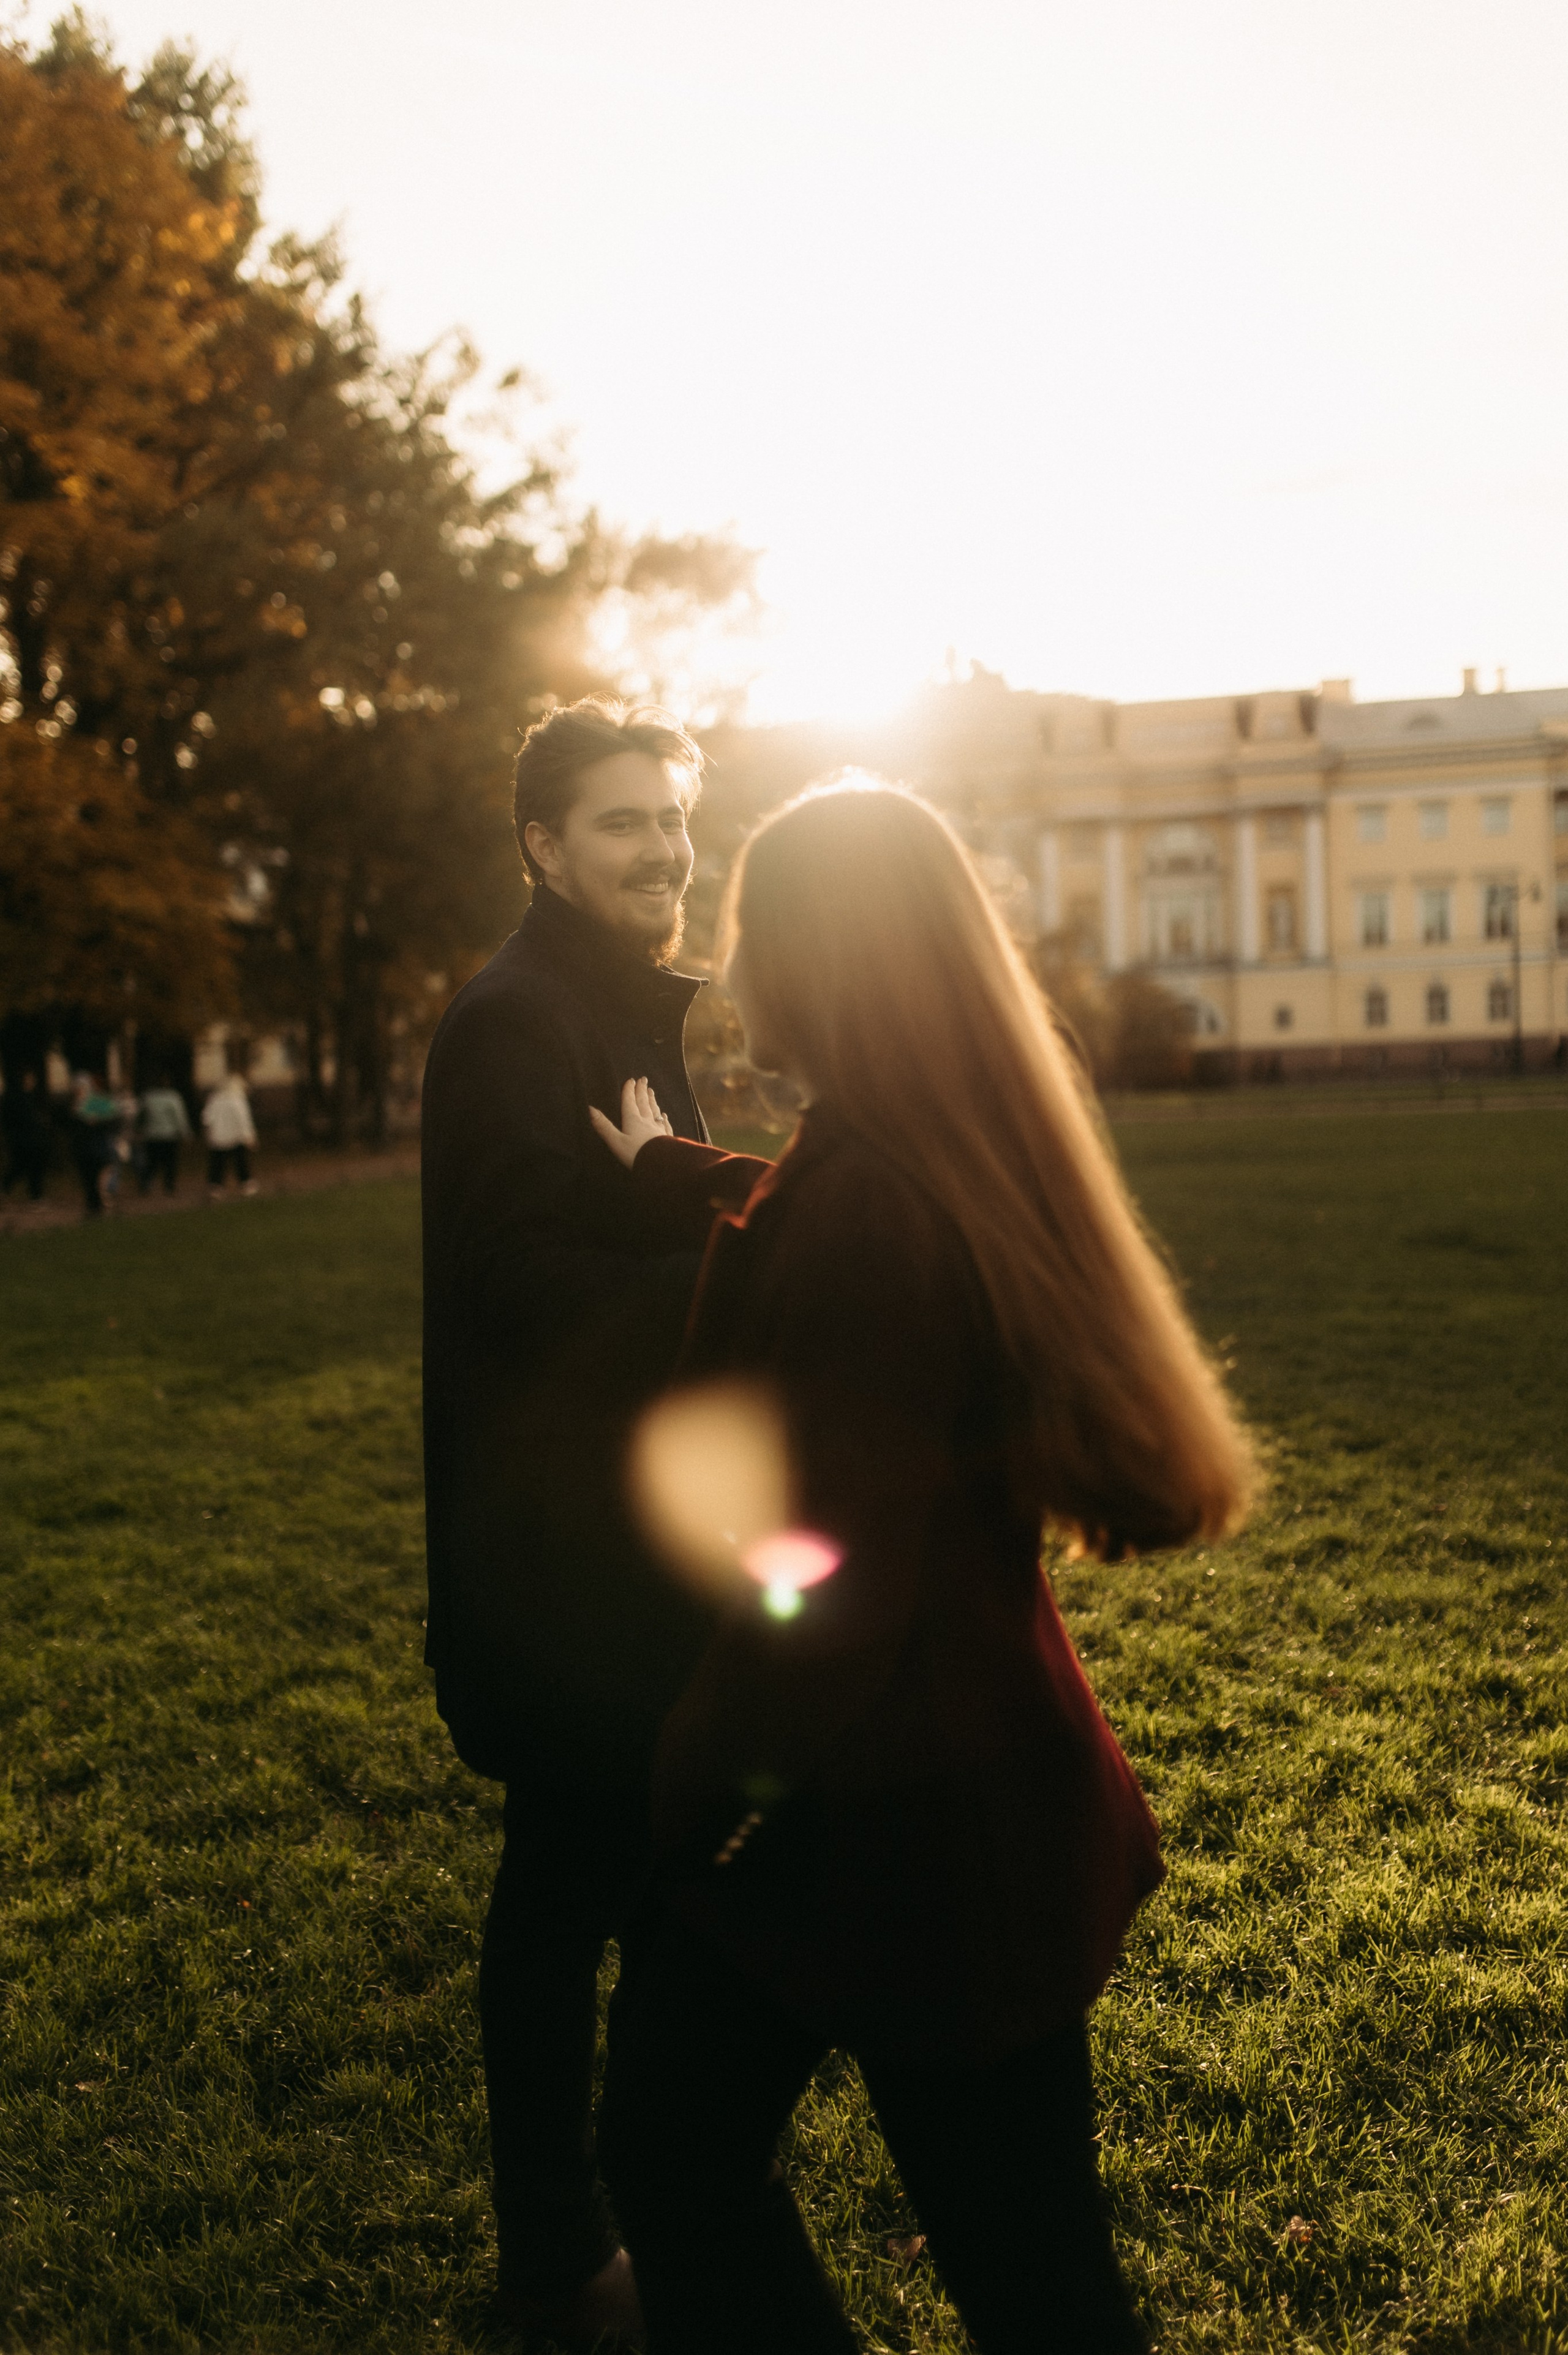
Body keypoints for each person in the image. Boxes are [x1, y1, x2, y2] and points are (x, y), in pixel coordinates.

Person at [589, 783, 1256, 2355]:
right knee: (707, 2159)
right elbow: (805, 1226)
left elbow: (825, 1604)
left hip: (907, 1838)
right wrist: (683, 1172)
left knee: (1016, 2280)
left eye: (754, 931)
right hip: (950, 1801)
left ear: (833, 955)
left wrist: (682, 1805)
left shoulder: (875, 1207)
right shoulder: (902, 1160)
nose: (736, 973)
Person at [420, 699, 767, 2351]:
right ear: (544, 846)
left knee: (608, 1881)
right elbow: (515, 1283)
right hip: (557, 1558)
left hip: (621, 1539)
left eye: (674, 816)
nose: (661, 848)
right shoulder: (515, 1020)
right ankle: (565, 2244)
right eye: (620, 821)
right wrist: (710, 1250)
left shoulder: (606, 1006)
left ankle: (621, 2209)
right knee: (569, 1892)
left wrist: (692, 1191)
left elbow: (626, 1198)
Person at [69, 1072, 121, 1216]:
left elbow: (113, 1121)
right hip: (83, 1149)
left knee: (103, 1177)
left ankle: (102, 1205)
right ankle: (93, 1208)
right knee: (89, 1180)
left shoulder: (100, 1103)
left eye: (83, 1087)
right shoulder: (74, 1106)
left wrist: (96, 1121)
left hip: (99, 1146)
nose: (79, 1090)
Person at [202, 1072, 258, 1197]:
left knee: (217, 1163)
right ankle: (247, 1185)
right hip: (236, 1137)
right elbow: (243, 1120)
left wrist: (210, 1133)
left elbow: (206, 1119)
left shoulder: (214, 1100)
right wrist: (249, 1136)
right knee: (240, 1162)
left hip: (218, 1138)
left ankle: (215, 1188)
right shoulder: (238, 1100)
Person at [1, 1068, 52, 1202]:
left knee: (29, 1166)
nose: (33, 1081)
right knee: (24, 1166)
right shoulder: (18, 1098)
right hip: (25, 1140)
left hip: (32, 1139)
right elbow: (19, 1120)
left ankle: (35, 1195)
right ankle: (34, 1195)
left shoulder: (30, 1097)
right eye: (30, 1078)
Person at [138, 1079, 192, 1194]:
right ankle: (169, 1186)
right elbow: (180, 1117)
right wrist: (185, 1133)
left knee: (152, 1162)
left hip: (152, 1135)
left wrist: (141, 1130)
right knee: (170, 1162)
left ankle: (146, 1185)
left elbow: (142, 1116)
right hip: (169, 1135)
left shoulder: (148, 1097)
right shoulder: (173, 1098)